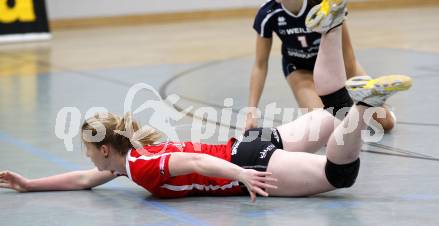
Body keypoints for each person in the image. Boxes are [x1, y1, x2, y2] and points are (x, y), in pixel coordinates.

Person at [0, 0, 411, 202]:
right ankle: (333, 29)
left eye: (88, 151)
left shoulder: (141, 166)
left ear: (105, 149)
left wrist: (243, 176)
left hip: (251, 162)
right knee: (331, 108)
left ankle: (362, 106)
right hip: (249, 144)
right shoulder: (131, 159)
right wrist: (30, 184)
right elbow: (83, 179)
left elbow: (195, 164)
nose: (87, 159)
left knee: (339, 175)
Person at [245, 0, 397, 132]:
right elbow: (260, 65)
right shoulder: (268, 13)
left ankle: (365, 108)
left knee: (386, 123)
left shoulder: (325, 6)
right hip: (300, 70)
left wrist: (354, 92)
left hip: (336, 66)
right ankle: (347, 115)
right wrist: (251, 111)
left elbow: (348, 58)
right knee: (325, 127)